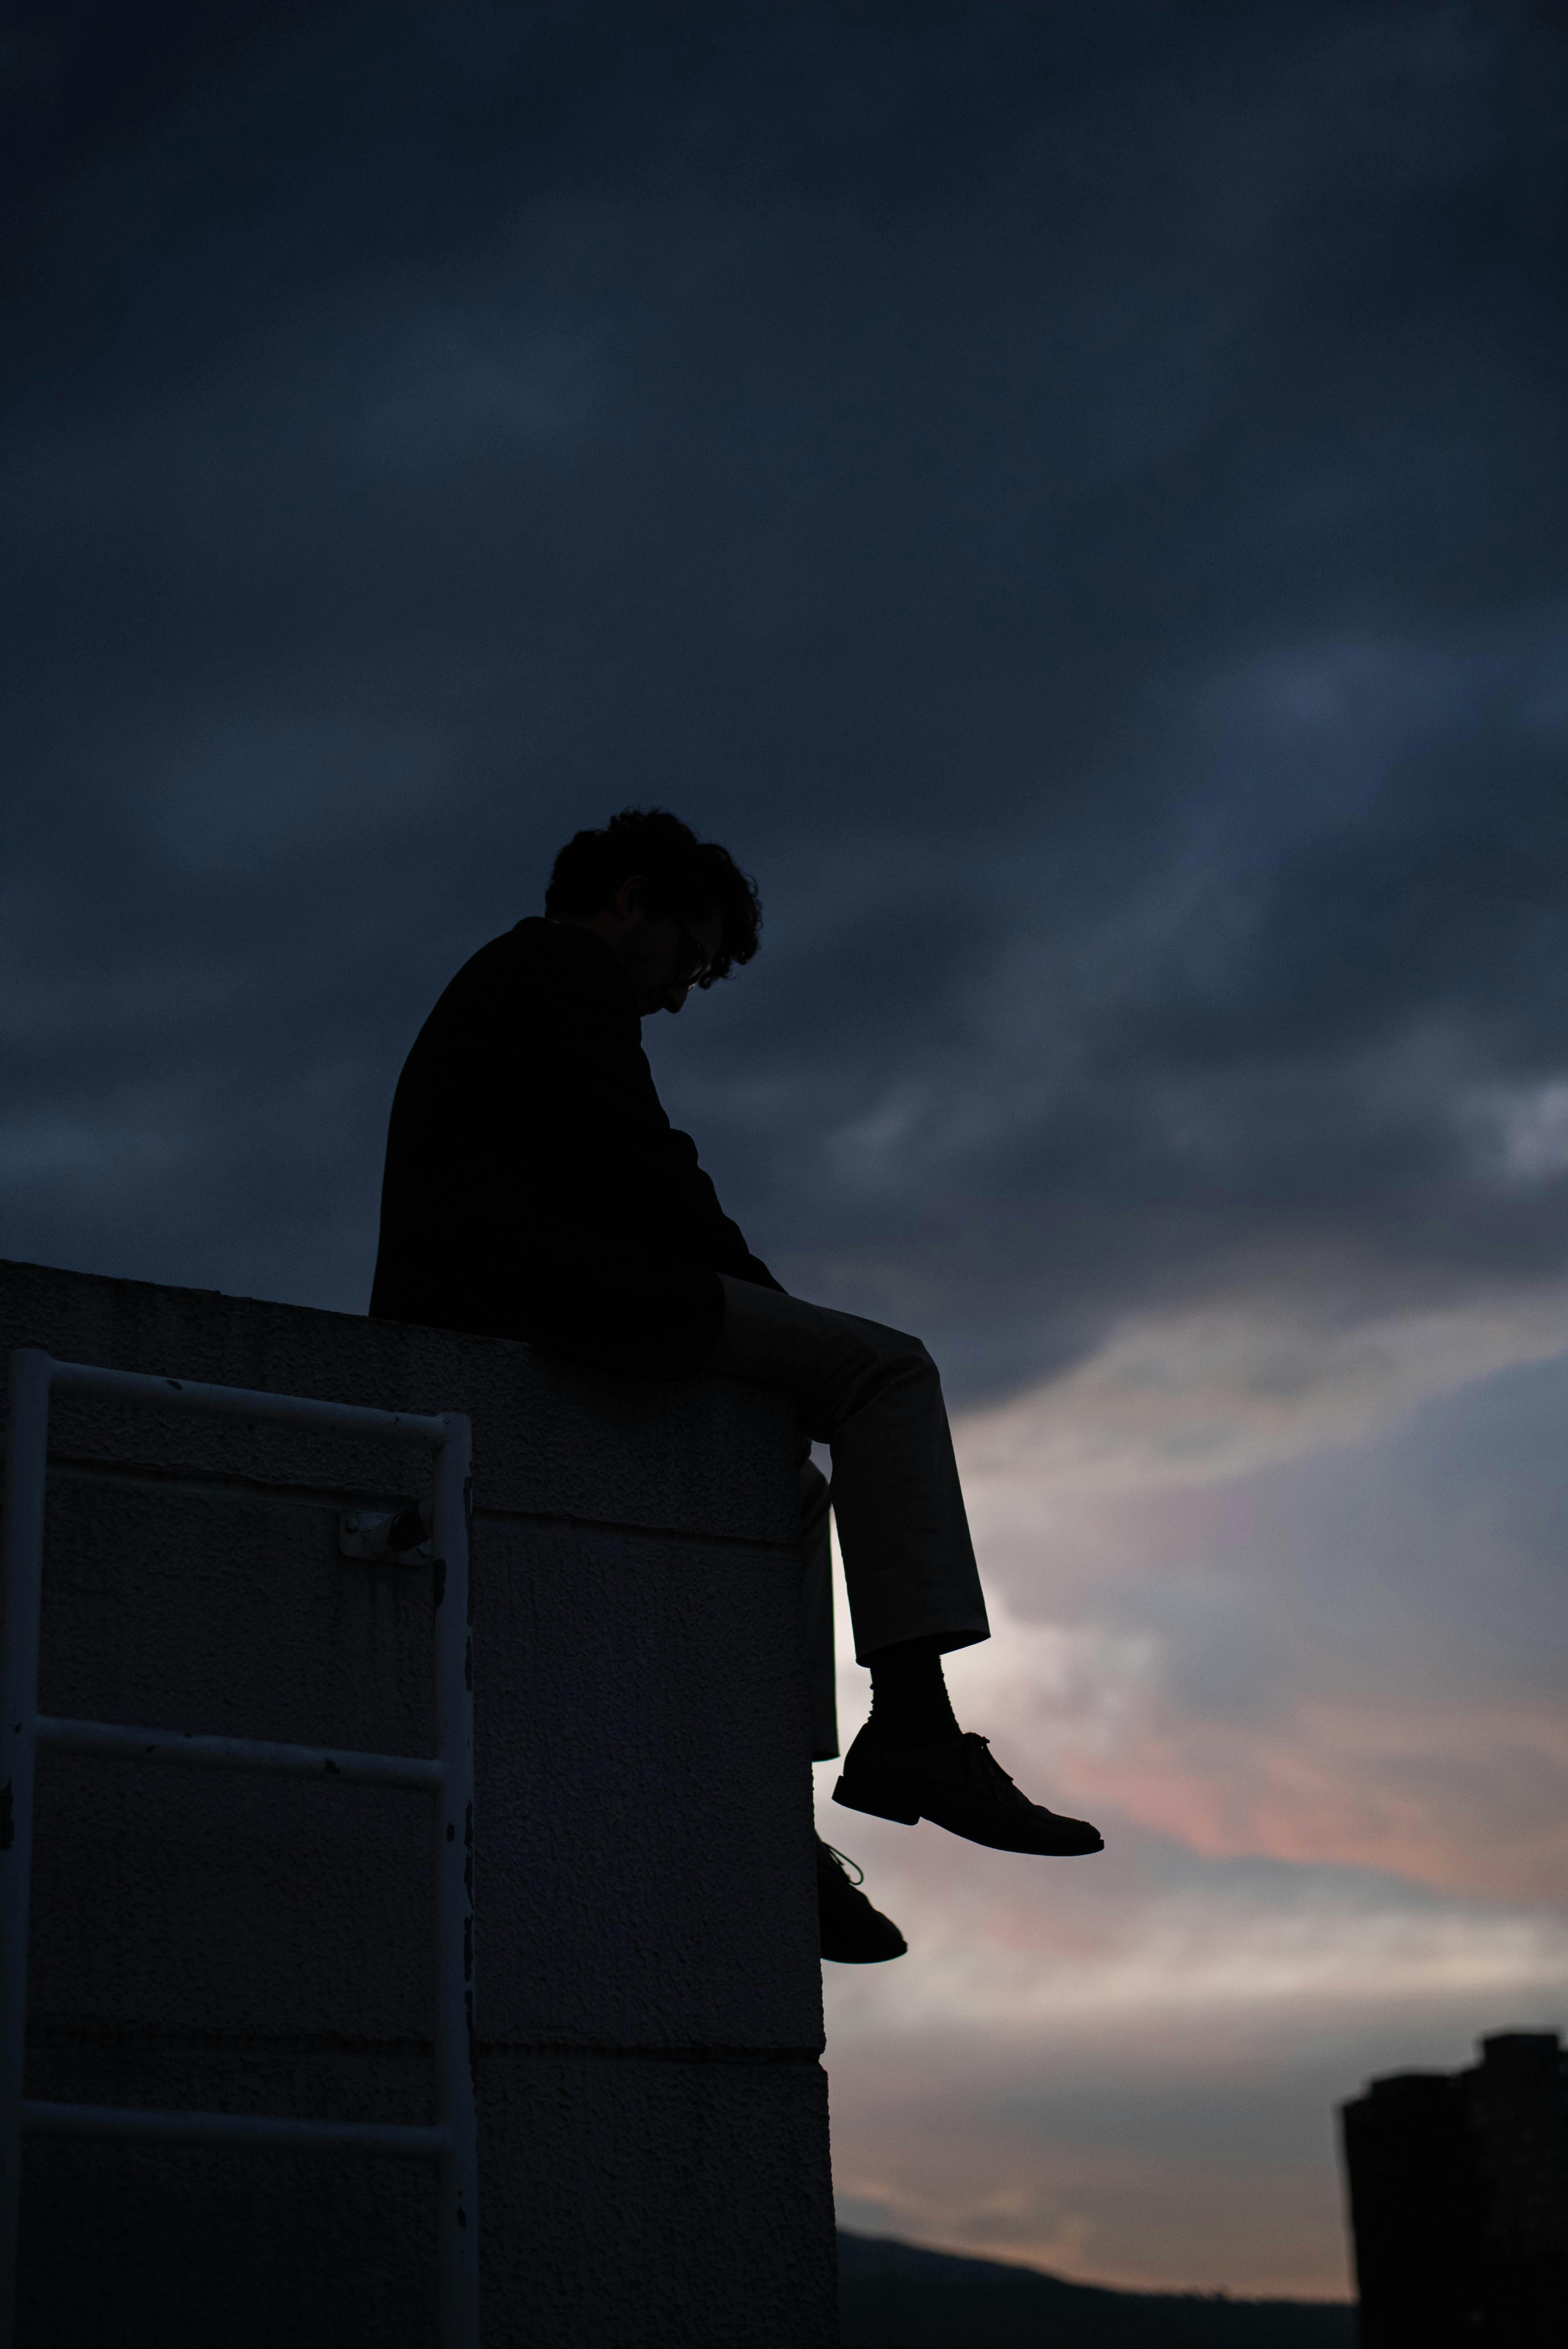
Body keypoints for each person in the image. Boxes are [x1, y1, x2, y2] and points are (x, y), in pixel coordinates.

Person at [370, 808, 1103, 1964]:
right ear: (629, 901)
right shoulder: (559, 966)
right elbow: (644, 1165)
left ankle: (775, 1819)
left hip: (519, 1296)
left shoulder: (513, 986)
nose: (680, 994)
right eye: (690, 959)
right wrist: (778, 1307)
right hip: (540, 1295)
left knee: (785, 1491)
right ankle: (915, 1725)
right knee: (886, 1371)